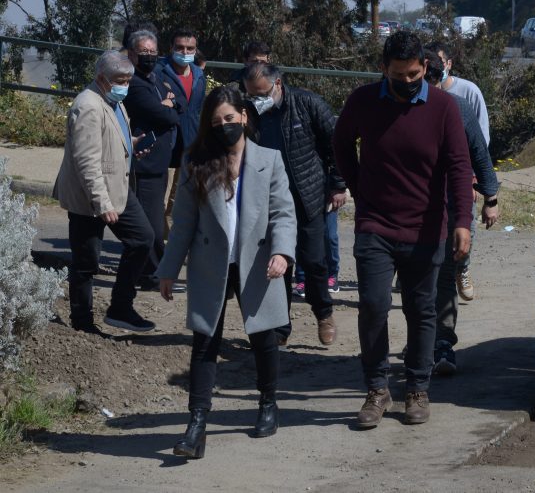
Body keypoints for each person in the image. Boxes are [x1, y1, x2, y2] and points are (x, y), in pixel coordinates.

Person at [333, 31, 473, 428]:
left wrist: (461, 221)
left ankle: (417, 387)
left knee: (421, 309)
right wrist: (359, 189)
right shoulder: (362, 101)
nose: (408, 81)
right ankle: (377, 389)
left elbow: (460, 167)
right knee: (374, 305)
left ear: (425, 68)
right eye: (399, 74)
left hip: (426, 228)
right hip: (375, 225)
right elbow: (342, 144)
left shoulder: (444, 108)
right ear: (384, 69)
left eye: (414, 74)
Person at [157, 87, 296, 459]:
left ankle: (268, 402)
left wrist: (283, 252)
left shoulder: (270, 160)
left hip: (259, 263)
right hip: (210, 264)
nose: (224, 127)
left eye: (230, 120)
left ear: (244, 118)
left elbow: (284, 212)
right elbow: (183, 221)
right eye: (216, 122)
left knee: (265, 337)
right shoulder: (195, 162)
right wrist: (168, 269)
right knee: (205, 342)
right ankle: (196, 424)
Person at [242, 62, 347, 346]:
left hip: (308, 196)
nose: (256, 99)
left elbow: (336, 144)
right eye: (251, 94)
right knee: (277, 264)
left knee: (314, 261)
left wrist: (337, 185)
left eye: (261, 92)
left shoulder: (307, 103)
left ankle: (324, 313)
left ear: (277, 84)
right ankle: (279, 326)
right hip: (268, 200)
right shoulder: (248, 112)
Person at [52, 51, 156, 335]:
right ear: (101, 78)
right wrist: (102, 203)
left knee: (143, 239)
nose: (125, 85)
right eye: (120, 80)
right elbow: (86, 161)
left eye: (127, 80)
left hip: (118, 189)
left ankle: (120, 307)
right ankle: (82, 324)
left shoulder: (113, 100)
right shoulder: (87, 105)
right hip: (91, 198)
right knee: (87, 262)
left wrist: (129, 145)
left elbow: (108, 137)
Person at [423, 49, 499, 376]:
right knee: (418, 279)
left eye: (426, 82)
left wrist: (490, 197)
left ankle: (442, 344)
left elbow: (479, 153)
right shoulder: (391, 109)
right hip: (409, 209)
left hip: (451, 205)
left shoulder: (458, 107)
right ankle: (422, 341)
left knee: (442, 274)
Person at [423, 40, 489, 302]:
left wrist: (475, 179)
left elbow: (479, 141)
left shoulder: (467, 95)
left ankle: (462, 268)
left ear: (447, 65)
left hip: (462, 176)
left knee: (464, 227)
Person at [123, 29, 181, 292]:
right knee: (153, 228)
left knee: (155, 223)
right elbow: (166, 116)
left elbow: (177, 103)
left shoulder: (156, 78)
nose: (149, 57)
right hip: (144, 165)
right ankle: (151, 275)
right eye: (144, 53)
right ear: (132, 54)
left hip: (159, 162)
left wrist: (168, 105)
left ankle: (150, 273)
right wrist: (166, 107)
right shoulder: (133, 83)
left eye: (152, 52)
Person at [159, 29, 207, 235]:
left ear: (195, 50)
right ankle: (157, 238)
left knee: (180, 193)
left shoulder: (199, 75)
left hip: (190, 142)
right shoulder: (158, 72)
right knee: (158, 194)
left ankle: (168, 235)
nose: (184, 51)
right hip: (165, 140)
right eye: (180, 47)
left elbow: (198, 109)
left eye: (189, 48)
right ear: (171, 48)